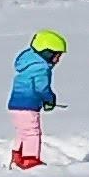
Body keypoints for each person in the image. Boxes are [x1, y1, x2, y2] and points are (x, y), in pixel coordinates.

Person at [7, 28, 66, 169]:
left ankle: (18, 157)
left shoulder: (27, 66)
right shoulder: (41, 68)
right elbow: (41, 88)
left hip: (15, 105)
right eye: (57, 56)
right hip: (28, 106)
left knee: (22, 132)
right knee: (32, 132)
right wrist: (50, 99)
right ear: (47, 53)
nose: (58, 60)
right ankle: (30, 160)